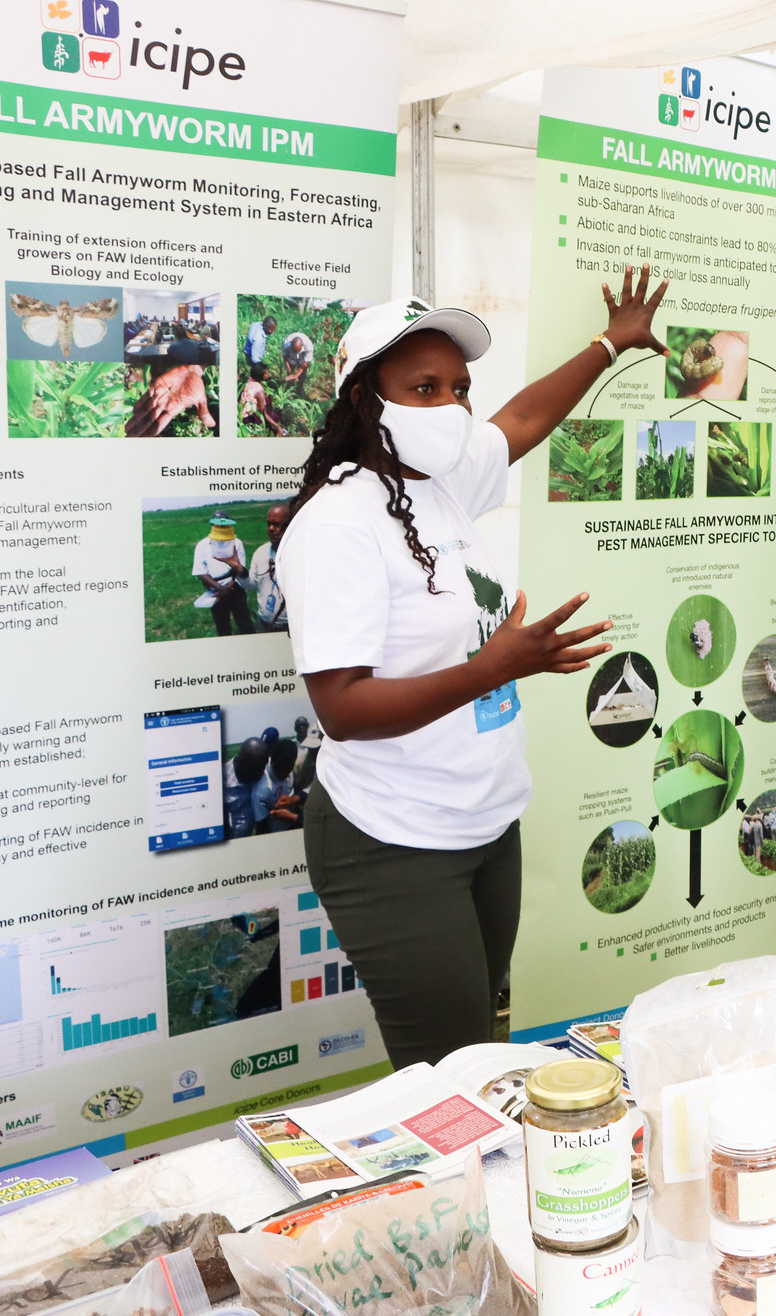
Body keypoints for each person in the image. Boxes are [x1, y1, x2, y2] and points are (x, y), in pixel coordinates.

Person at [277, 266, 668, 1067]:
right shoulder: (339, 524)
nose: (450, 407)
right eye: (423, 387)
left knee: (481, 1049)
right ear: (364, 399)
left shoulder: (442, 480)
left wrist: (609, 344)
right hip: (393, 839)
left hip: (486, 824)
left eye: (457, 387)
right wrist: (495, 668)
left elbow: (523, 416)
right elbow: (343, 710)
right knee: (446, 1080)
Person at [194, 512, 254, 636]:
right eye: (216, 525)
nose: (220, 528)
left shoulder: (237, 543)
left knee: (245, 625)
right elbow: (200, 572)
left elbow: (240, 568)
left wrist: (228, 587)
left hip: (235, 588)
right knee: (222, 627)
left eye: (223, 526)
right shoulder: (203, 545)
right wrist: (219, 588)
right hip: (215, 591)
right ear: (212, 526)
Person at [245, 503, 289, 633]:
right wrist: (240, 572)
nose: (270, 529)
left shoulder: (299, 553)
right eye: (268, 524)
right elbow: (252, 585)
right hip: (264, 624)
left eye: (276, 524)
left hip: (291, 627)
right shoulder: (261, 552)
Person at [253, 737, 304, 833]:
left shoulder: (289, 769)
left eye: (287, 768)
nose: (282, 773)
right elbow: (262, 827)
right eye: (278, 767)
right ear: (271, 760)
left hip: (294, 824)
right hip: (276, 832)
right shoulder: (262, 789)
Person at [223, 738, 265, 838]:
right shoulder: (222, 780)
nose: (260, 774)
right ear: (241, 762)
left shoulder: (258, 773)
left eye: (262, 767)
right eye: (256, 768)